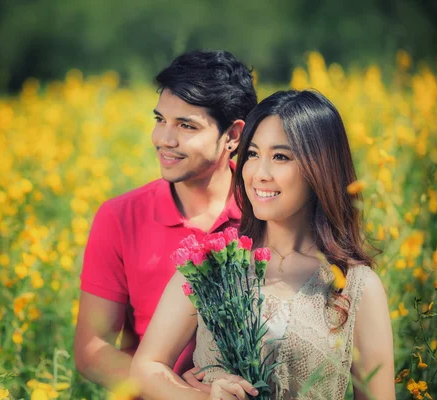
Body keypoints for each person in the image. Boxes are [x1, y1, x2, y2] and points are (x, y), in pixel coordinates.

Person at [131, 90, 395, 399]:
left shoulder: (357, 286)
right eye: (253, 154)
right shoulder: (212, 266)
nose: (259, 174)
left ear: (321, 169)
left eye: (280, 157)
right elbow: (145, 368)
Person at [74, 50, 258, 390]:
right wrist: (176, 391)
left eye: (186, 125)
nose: (164, 140)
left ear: (233, 136)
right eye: (160, 120)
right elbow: (92, 349)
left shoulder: (266, 213)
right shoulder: (120, 217)